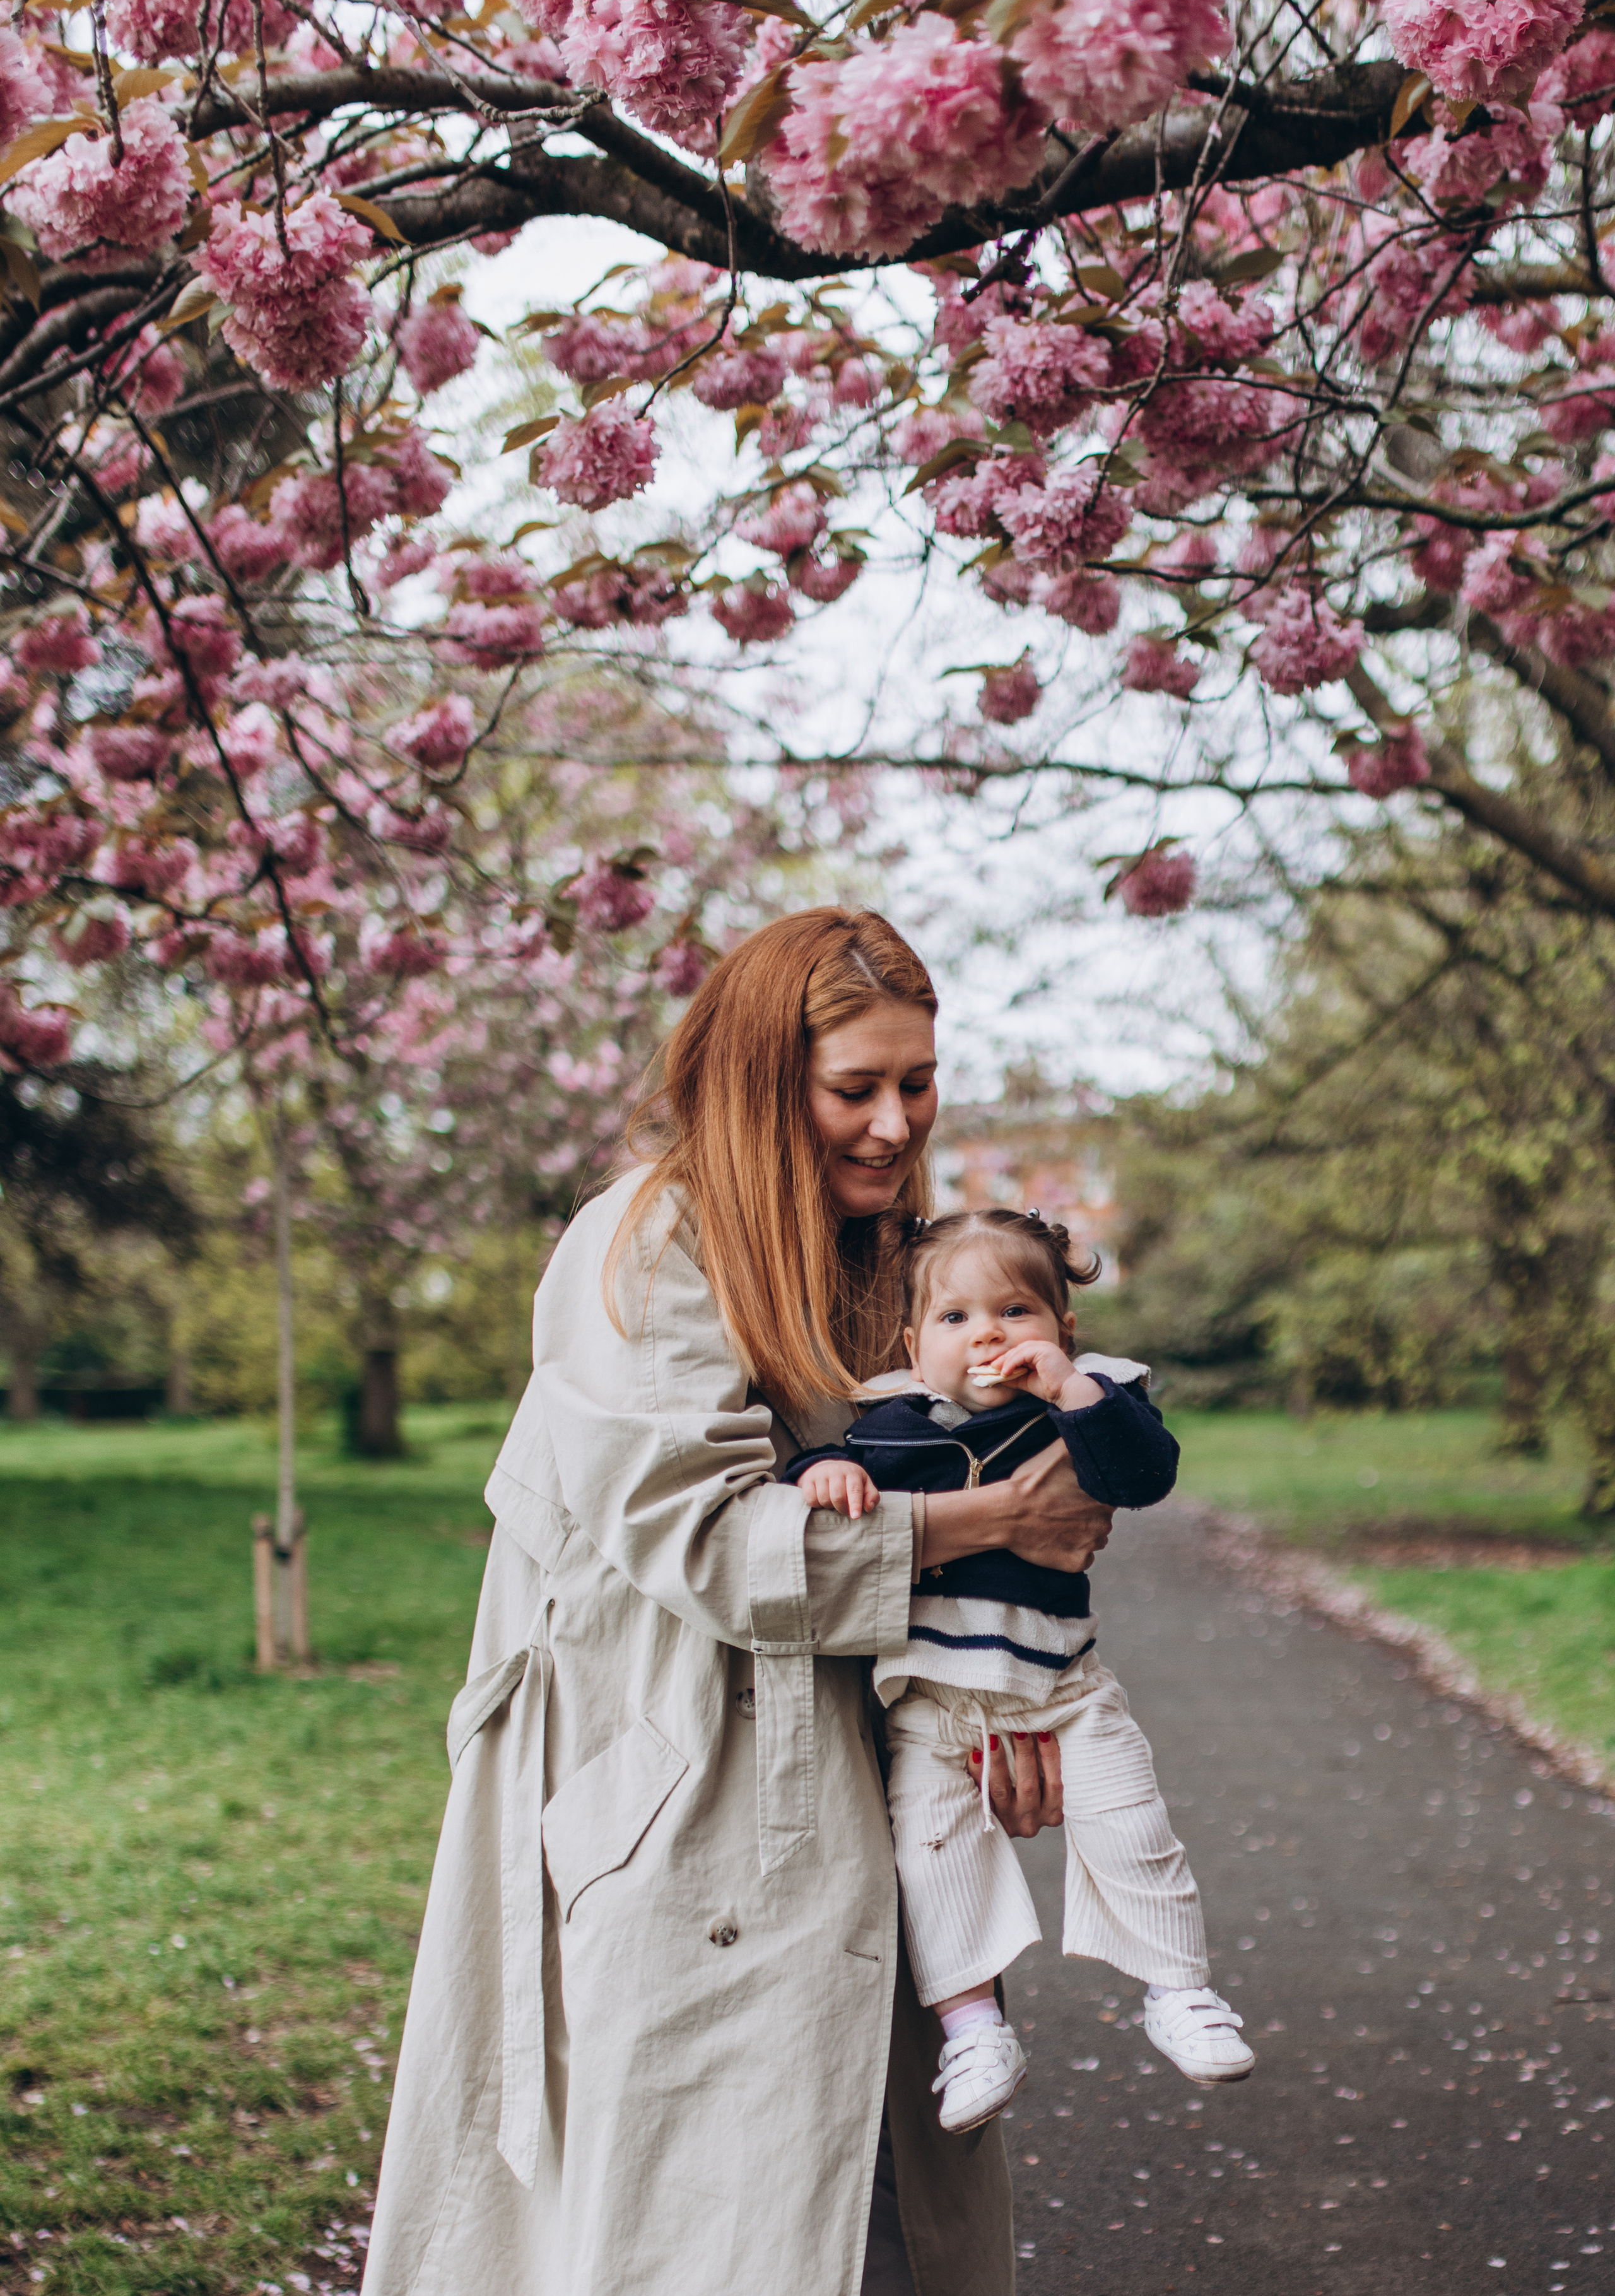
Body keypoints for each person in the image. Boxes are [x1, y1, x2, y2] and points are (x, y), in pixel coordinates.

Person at [361, 909, 1115, 2296]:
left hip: (877, 1777)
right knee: (705, 2219)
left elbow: (1000, 1490)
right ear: (762, 1079)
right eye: (854, 1088)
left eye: (918, 1079)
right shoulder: (644, 1248)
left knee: (872, 2209)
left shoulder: (896, 1260)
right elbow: (711, 1539)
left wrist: (1005, 1703)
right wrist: (993, 1520)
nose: (894, 1122)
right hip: (686, 1802)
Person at [785, 1207, 1255, 2136]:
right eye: (956, 1320)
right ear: (917, 1346)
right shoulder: (889, 1423)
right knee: (936, 1861)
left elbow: (1142, 1475)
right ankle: (972, 2028)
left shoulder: (1092, 1402)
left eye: (1015, 1310)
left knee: (1133, 1827)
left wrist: (1074, 1388)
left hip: (1068, 1692)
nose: (989, 1334)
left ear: (1064, 1327)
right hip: (931, 1705)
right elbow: (818, 1469)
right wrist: (819, 1477)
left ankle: (1179, 1987)